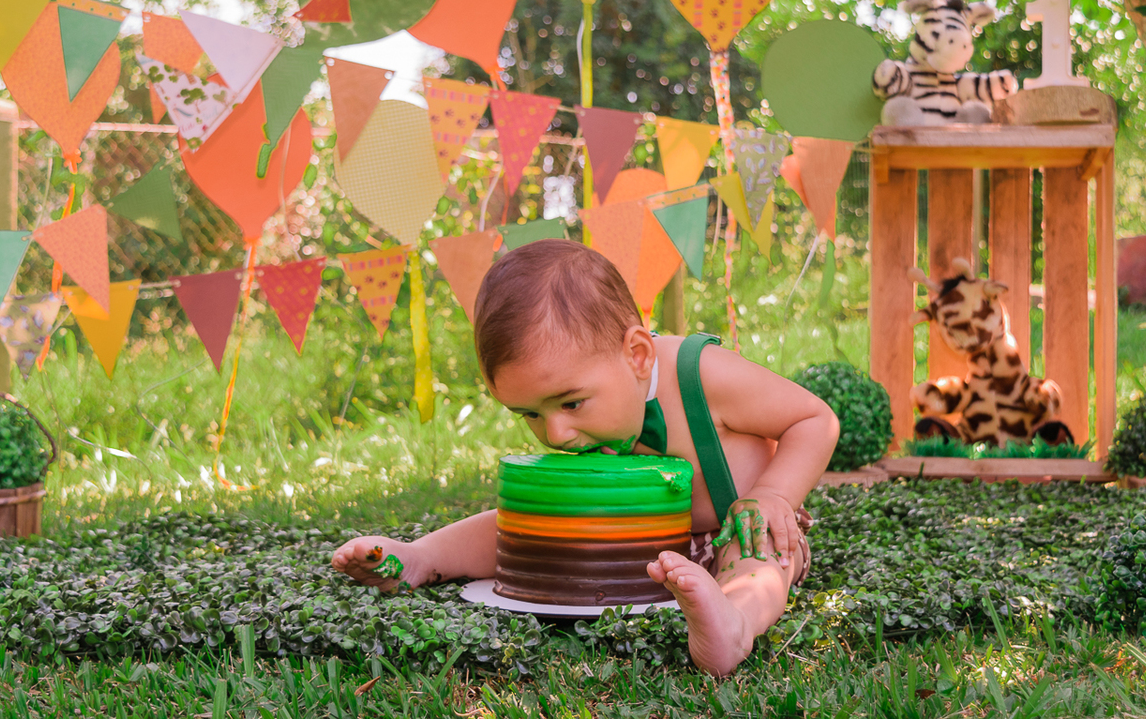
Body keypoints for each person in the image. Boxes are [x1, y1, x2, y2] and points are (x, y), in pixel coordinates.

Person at [332, 239, 838, 676]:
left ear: (637, 356)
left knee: (761, 559)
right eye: (529, 414)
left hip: (735, 527)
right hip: (624, 541)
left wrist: (772, 495)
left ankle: (733, 625)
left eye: (571, 402)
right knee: (521, 528)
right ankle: (421, 558)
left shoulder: (702, 375)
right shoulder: (584, 411)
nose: (555, 431)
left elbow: (814, 419)